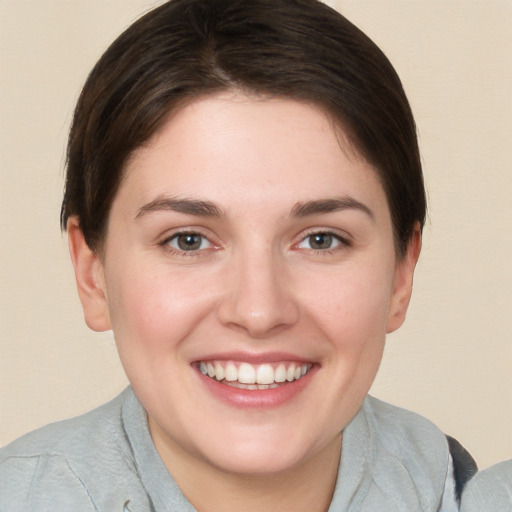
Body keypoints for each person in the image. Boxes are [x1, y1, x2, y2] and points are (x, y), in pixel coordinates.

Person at [0, 0, 477, 510]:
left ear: (402, 275)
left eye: (321, 239)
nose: (258, 311)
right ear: (92, 274)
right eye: (188, 240)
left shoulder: (459, 489)